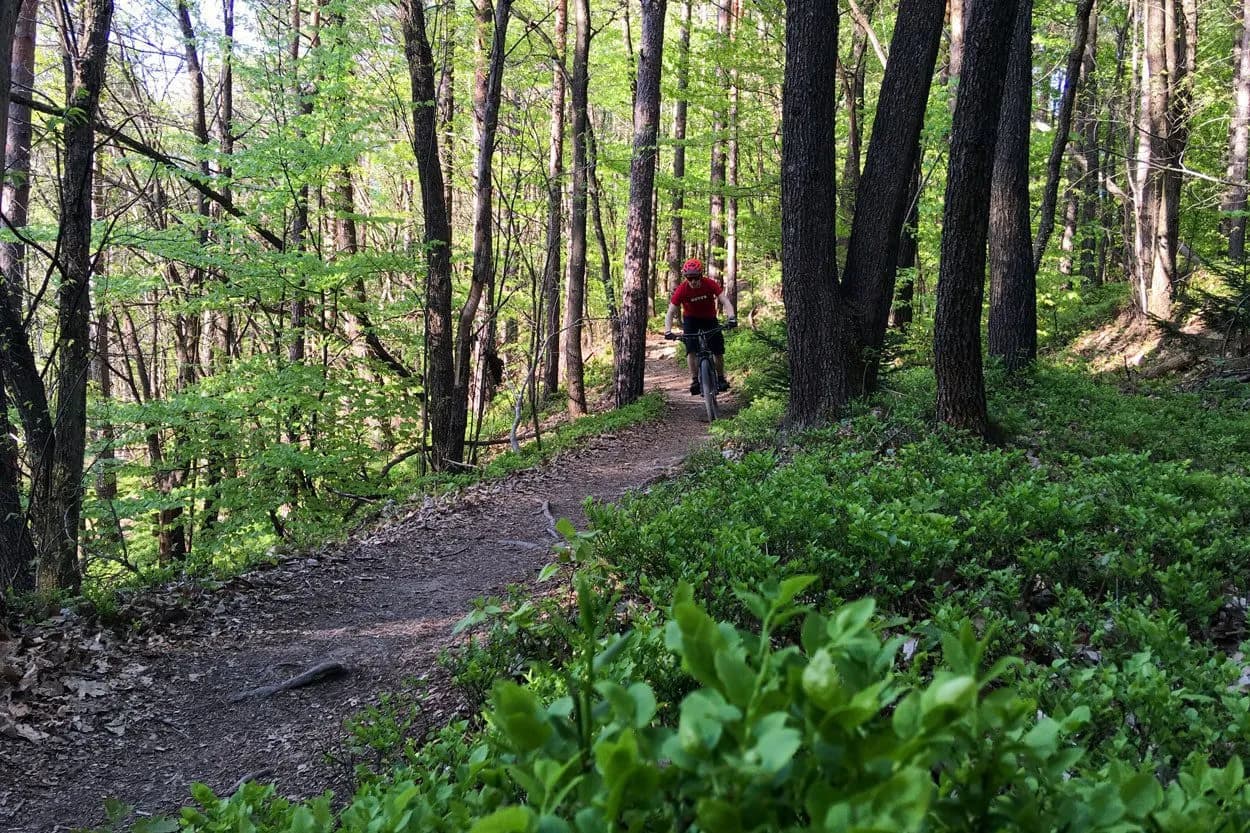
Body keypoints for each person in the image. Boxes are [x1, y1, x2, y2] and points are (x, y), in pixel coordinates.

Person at [663, 257, 737, 395]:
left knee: (717, 349)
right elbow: (670, 312)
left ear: (700, 275)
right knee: (691, 349)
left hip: (709, 319)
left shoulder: (709, 284)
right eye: (689, 278)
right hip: (691, 320)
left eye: (695, 278)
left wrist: (731, 317)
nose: (693, 281)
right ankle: (695, 380)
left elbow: (725, 301)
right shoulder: (682, 290)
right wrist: (668, 330)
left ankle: (720, 378)